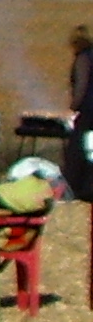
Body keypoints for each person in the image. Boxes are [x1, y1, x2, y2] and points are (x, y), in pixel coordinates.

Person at [68, 26, 92, 205]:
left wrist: (73, 106)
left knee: (79, 149)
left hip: (89, 112)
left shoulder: (83, 58)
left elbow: (81, 85)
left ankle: (78, 187)